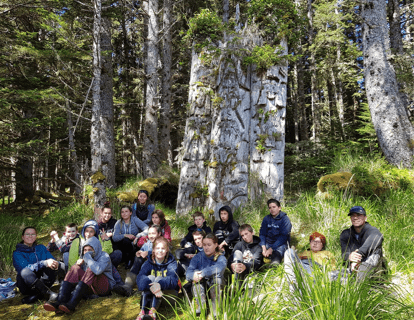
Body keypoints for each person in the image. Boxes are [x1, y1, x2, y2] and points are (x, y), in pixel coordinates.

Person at [43, 236, 115, 313]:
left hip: (104, 288)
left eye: (90, 250)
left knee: (91, 269)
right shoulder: (84, 256)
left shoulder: (104, 256)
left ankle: (72, 304)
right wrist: (77, 264)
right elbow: (76, 275)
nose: (87, 252)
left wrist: (87, 257)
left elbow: (97, 271)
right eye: (85, 250)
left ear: (96, 249)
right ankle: (60, 301)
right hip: (89, 287)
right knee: (75, 268)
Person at [136, 237, 179, 320]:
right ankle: (143, 312)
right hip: (151, 294)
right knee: (150, 278)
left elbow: (173, 280)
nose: (160, 251)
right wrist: (153, 286)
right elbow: (139, 278)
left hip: (168, 296)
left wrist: (159, 284)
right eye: (157, 248)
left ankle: (152, 313)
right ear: (153, 250)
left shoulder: (172, 263)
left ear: (167, 250)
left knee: (158, 278)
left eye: (163, 248)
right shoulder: (148, 262)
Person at [13, 227, 59, 304]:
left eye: (33, 234)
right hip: (28, 285)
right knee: (25, 271)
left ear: (36, 236)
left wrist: (54, 263)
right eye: (27, 234)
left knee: (57, 265)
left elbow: (51, 259)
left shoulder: (41, 247)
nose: (30, 236)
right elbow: (25, 269)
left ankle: (38, 296)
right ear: (23, 237)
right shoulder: (17, 253)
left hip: (44, 281)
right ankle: (48, 294)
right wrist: (44, 263)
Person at [113, 225, 163, 297]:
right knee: (138, 259)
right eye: (149, 234)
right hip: (144, 267)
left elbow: (163, 255)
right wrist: (139, 252)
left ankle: (139, 288)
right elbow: (142, 250)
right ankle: (127, 287)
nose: (151, 236)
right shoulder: (147, 243)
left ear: (159, 234)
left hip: (157, 270)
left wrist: (148, 253)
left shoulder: (163, 243)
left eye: (153, 234)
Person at [186, 233, 227, 318]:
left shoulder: (221, 257)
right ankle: (201, 306)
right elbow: (188, 273)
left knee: (216, 277)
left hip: (216, 287)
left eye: (209, 245)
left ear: (216, 245)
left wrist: (203, 273)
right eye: (204, 245)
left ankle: (216, 307)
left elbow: (218, 268)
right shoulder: (197, 257)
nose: (206, 247)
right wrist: (193, 276)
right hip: (202, 288)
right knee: (195, 274)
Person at [340, 206, 383, 281]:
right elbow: (344, 254)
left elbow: (377, 238)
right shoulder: (345, 234)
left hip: (371, 266)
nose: (355, 218)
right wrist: (350, 257)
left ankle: (365, 281)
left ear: (365, 218)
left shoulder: (372, 230)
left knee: (376, 249)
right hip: (352, 267)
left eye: (358, 215)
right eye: (353, 215)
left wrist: (358, 255)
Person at [259, 199, 292, 265]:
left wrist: (271, 249)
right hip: (268, 242)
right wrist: (263, 247)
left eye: (274, 207)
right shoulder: (266, 218)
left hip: (280, 244)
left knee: (277, 254)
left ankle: (274, 265)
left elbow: (283, 237)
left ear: (279, 208)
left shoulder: (285, 219)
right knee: (257, 250)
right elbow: (262, 233)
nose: (272, 209)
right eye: (270, 208)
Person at [97, 203, 122, 267]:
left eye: (109, 213)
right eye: (105, 213)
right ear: (101, 213)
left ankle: (112, 267)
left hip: (113, 248)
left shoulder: (114, 222)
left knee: (119, 252)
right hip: (102, 250)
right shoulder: (97, 225)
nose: (107, 215)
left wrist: (111, 234)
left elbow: (120, 232)